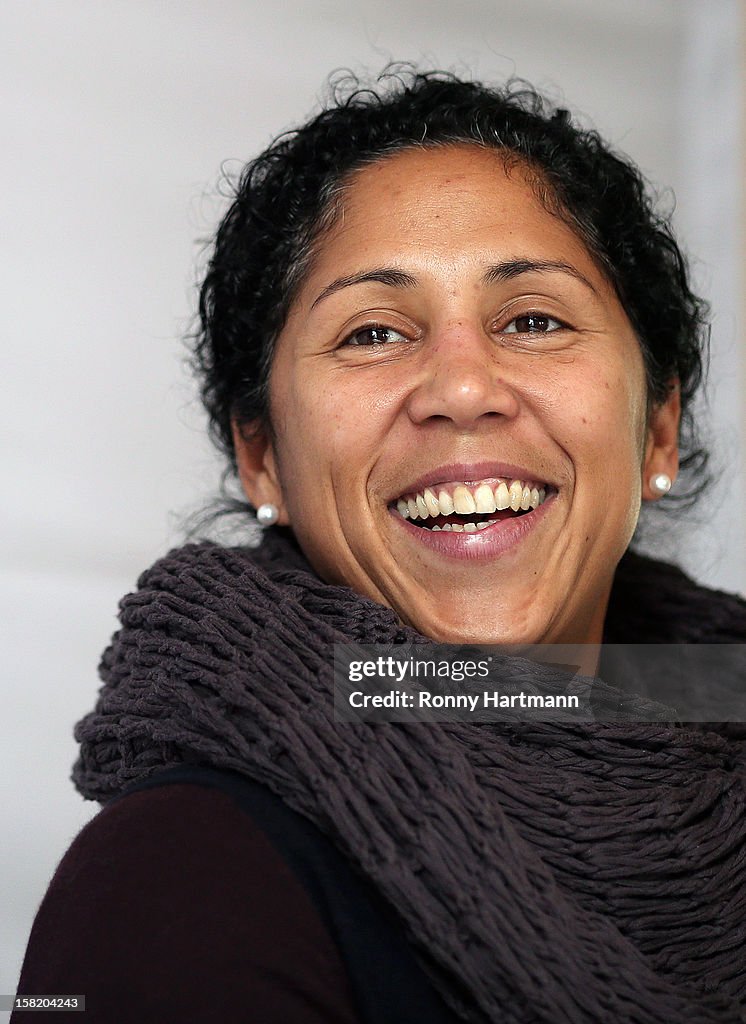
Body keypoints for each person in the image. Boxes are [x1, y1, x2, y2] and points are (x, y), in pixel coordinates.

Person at [12, 69, 746, 1024]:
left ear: (656, 427)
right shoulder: (174, 879)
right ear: (263, 455)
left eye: (533, 319)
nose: (463, 387)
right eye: (372, 333)